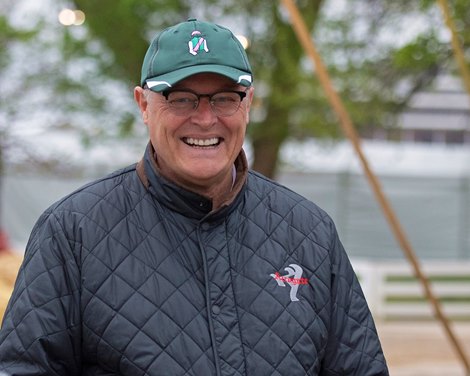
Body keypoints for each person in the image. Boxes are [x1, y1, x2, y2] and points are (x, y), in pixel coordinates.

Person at [0, 19, 389, 375]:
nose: (205, 119)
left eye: (224, 98)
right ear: (143, 105)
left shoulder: (309, 233)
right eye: (181, 98)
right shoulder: (73, 232)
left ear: (248, 103)